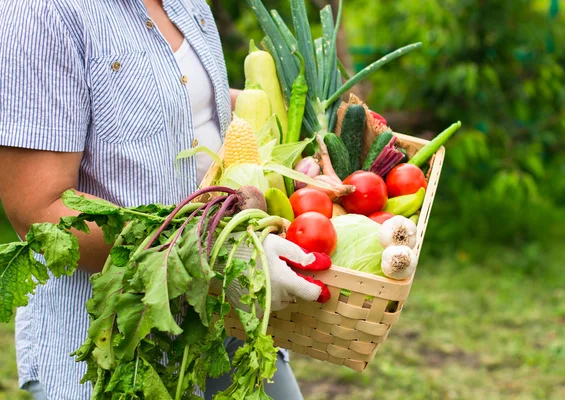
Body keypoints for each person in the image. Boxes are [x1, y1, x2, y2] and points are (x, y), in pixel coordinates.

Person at [0, 1, 328, 398]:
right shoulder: (42, 13)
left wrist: (308, 126)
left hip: (227, 321)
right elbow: (40, 211)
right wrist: (219, 254)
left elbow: (183, 98)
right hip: (120, 342)